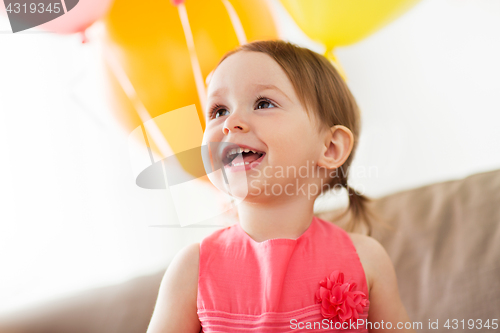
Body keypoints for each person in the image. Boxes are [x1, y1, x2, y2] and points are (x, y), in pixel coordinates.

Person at [146, 40, 416, 332]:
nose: (230, 123)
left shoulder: (366, 260)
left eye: (263, 103)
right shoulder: (193, 269)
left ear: (330, 148)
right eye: (218, 110)